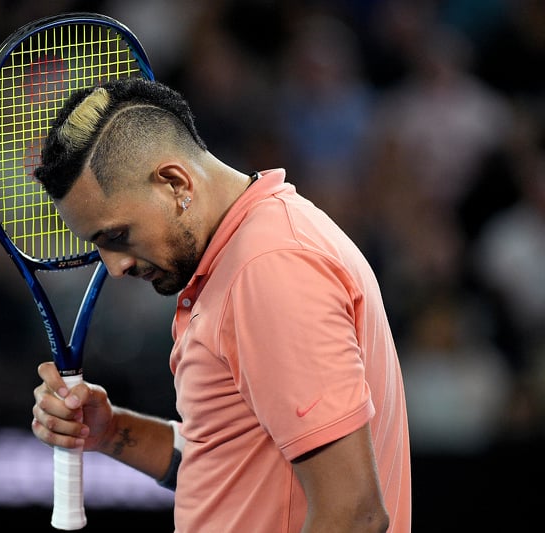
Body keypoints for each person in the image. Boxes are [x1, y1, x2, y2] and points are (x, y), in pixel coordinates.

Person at [30, 78, 411, 532]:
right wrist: (111, 432)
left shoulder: (268, 270)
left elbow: (353, 514)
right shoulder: (245, 254)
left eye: (117, 236)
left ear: (174, 183)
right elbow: (233, 464)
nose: (114, 267)